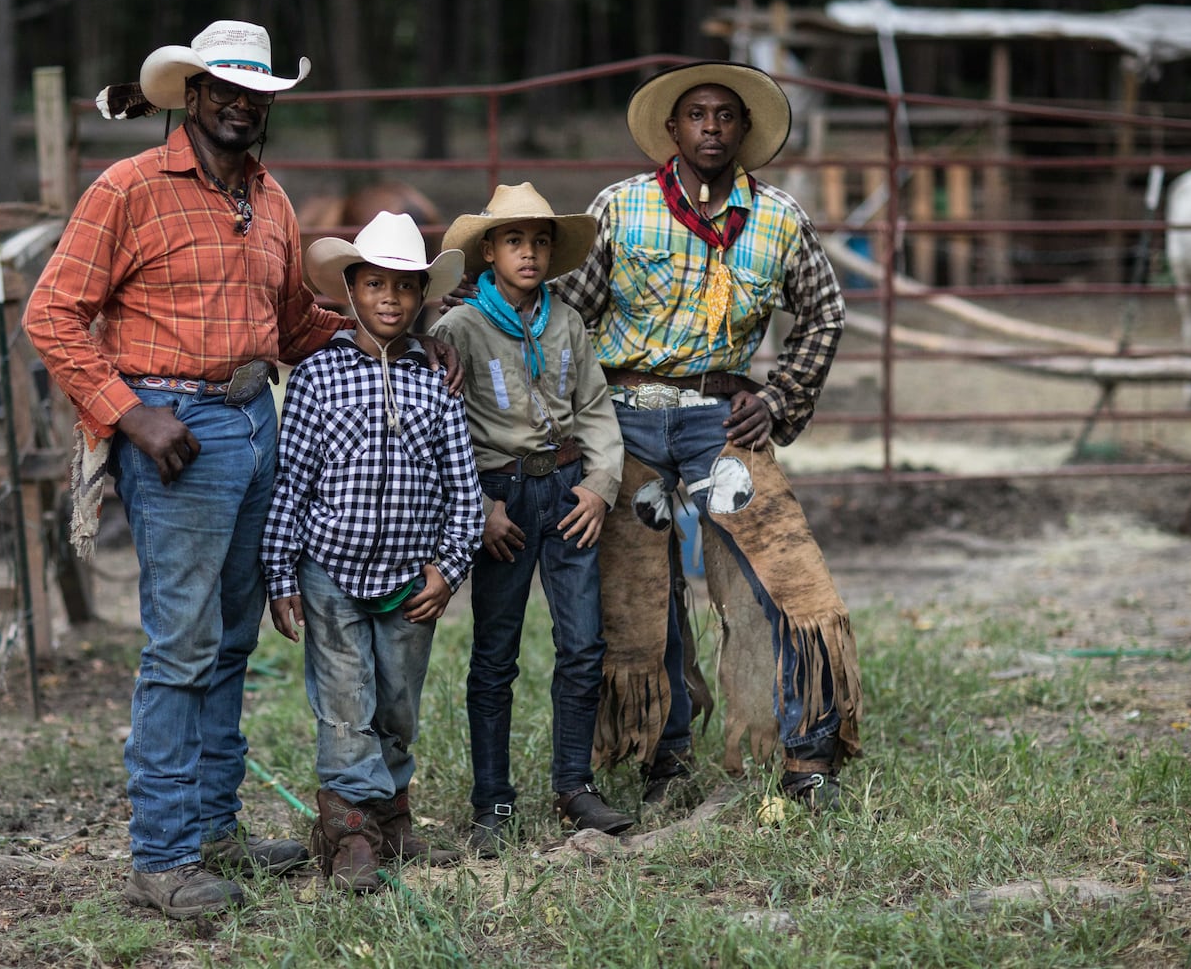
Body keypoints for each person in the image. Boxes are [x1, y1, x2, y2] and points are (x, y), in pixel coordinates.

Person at [24, 21, 457, 920]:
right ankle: (164, 855)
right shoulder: (130, 188)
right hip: (175, 426)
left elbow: (294, 324)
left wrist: (398, 341)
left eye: (255, 92)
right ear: (190, 94)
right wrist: (128, 412)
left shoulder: (270, 200)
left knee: (229, 641)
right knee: (179, 647)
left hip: (258, 421)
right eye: (223, 87)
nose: (239, 104)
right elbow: (52, 314)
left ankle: (214, 828)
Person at [549, 61, 863, 810]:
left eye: (726, 116)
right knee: (637, 593)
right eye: (697, 116)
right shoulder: (621, 209)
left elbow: (826, 313)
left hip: (719, 416)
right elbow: (568, 312)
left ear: (744, 130)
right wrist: (571, 419)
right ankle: (666, 753)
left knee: (785, 574)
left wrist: (779, 396)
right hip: (623, 414)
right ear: (673, 129)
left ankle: (807, 753)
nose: (712, 128)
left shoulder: (780, 217)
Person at [261, 212, 484, 892]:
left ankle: (391, 815)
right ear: (351, 290)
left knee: (397, 704)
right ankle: (349, 832)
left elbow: (464, 489)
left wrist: (449, 568)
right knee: (344, 701)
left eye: (405, 288)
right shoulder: (318, 376)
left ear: (422, 297)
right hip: (330, 570)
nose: (390, 299)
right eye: (376, 285)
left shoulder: (435, 383)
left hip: (412, 578)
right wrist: (280, 571)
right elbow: (292, 478)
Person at [430, 184, 632, 856]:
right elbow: (445, 426)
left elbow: (595, 405)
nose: (529, 253)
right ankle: (492, 800)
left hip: (568, 492)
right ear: (488, 251)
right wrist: (478, 506)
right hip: (501, 500)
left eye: (541, 241)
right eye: (515, 240)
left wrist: (601, 485)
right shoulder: (457, 330)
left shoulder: (566, 321)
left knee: (582, 644)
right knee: (495, 652)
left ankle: (574, 785)